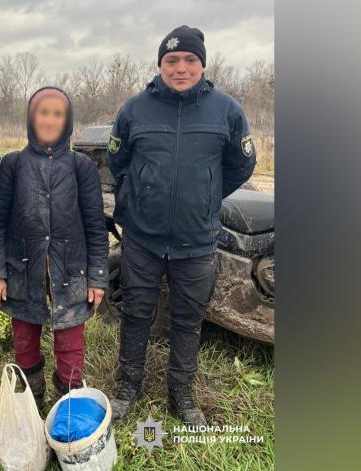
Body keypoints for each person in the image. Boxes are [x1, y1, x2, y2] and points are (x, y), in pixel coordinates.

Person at [107, 25, 256, 426]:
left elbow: (242, 165)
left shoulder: (226, 110)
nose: (180, 68)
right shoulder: (134, 110)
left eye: (190, 60)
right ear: (160, 64)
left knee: (188, 320)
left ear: (202, 64)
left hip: (197, 241)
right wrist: (137, 198)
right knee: (136, 314)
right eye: (171, 60)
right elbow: (118, 162)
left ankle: (182, 394)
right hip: (142, 241)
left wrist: (206, 194)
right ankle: (128, 387)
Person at [0, 87, 108, 408]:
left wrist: (97, 277)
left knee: (70, 342)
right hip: (23, 269)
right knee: (24, 339)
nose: (50, 120)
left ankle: (67, 405)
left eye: (57, 114)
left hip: (71, 270)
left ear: (67, 120)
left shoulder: (81, 167)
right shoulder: (13, 164)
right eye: (43, 113)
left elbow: (96, 227)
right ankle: (31, 401)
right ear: (31, 117)